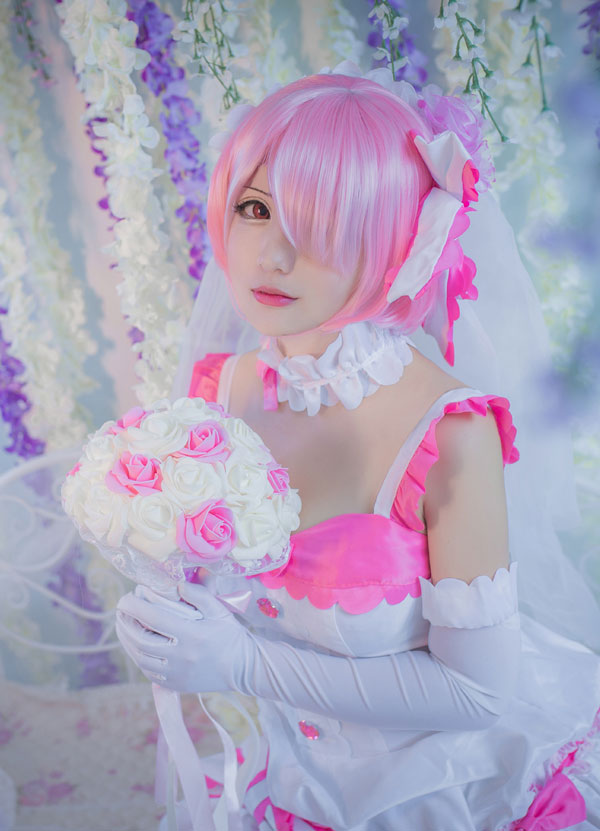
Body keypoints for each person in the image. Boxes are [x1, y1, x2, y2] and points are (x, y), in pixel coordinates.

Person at [115, 69, 600, 831]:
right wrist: (161, 612)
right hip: (295, 779)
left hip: (460, 791)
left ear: (398, 243)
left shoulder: (448, 433)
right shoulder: (219, 392)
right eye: (255, 208)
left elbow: (477, 693)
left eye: (325, 224)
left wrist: (242, 662)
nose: (273, 256)